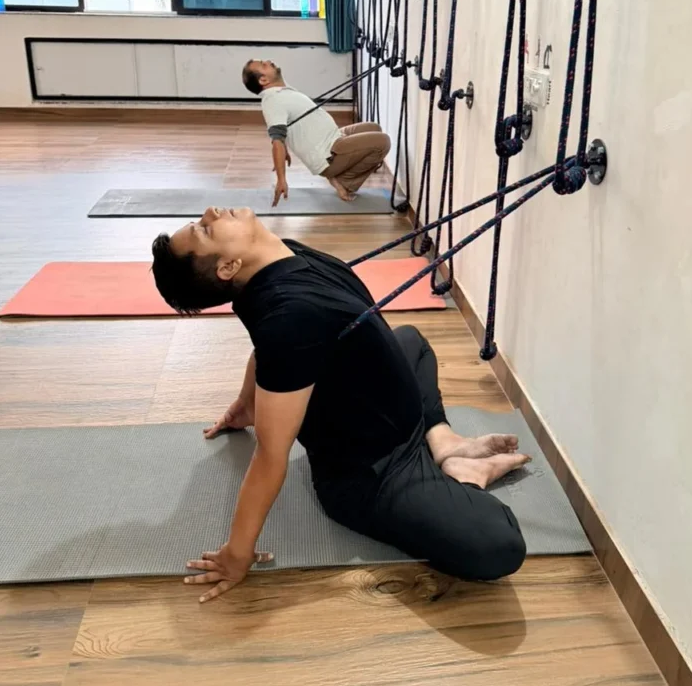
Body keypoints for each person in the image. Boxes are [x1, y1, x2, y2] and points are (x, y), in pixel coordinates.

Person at [151, 206, 530, 603]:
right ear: (229, 265)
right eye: (205, 229)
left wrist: (246, 403)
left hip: (391, 414)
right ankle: (464, 476)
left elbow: (265, 349)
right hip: (373, 473)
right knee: (499, 546)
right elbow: (270, 454)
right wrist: (237, 553)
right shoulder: (289, 319)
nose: (212, 212)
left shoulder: (281, 256)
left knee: (409, 342)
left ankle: (443, 442)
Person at [242, 59, 391, 205]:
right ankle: (345, 182)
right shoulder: (272, 99)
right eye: (263, 65)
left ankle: (339, 174)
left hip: (334, 137)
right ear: (263, 80)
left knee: (374, 128)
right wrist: (281, 179)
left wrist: (285, 148)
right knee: (382, 142)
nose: (268, 61)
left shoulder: (281, 91)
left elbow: (285, 125)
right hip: (329, 153)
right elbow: (276, 139)